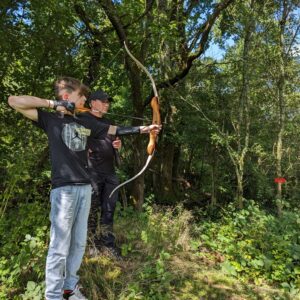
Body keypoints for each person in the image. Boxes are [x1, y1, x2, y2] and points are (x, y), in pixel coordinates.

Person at [8, 77, 111, 300]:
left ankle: (69, 288)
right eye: (81, 96)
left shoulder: (84, 122)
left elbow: (112, 129)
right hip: (64, 190)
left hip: (85, 188)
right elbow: (13, 101)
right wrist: (52, 104)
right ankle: (53, 295)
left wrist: (146, 129)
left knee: (78, 243)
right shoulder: (50, 119)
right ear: (67, 97)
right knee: (59, 246)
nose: (85, 99)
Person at [83, 90, 160, 259]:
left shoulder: (108, 122)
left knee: (109, 210)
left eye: (108, 102)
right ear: (92, 103)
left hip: (109, 172)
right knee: (91, 210)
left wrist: (117, 145)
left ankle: (107, 245)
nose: (106, 104)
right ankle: (91, 244)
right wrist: (144, 129)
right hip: (92, 173)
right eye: (103, 101)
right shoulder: (85, 119)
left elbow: (115, 135)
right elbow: (85, 135)